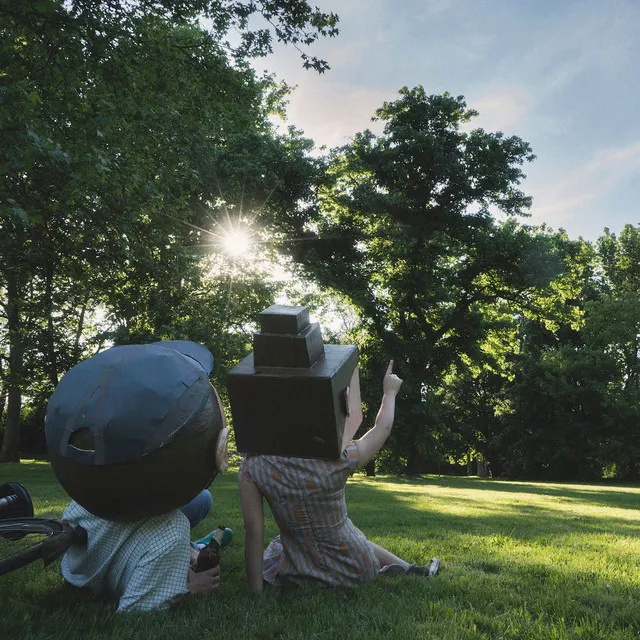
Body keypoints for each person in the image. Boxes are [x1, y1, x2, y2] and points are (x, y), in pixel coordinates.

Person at [45, 341, 232, 612]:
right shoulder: (169, 532)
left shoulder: (90, 491)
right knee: (181, 521)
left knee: (202, 500)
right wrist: (190, 589)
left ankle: (191, 550)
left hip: (89, 546)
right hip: (110, 564)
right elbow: (137, 609)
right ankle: (189, 549)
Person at [238, 360, 440, 592]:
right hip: (355, 568)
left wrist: (256, 595)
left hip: (298, 571)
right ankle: (407, 568)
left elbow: (253, 532)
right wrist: (390, 392)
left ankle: (405, 568)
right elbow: (381, 430)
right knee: (345, 532)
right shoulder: (338, 458)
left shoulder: (253, 467)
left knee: (280, 543)